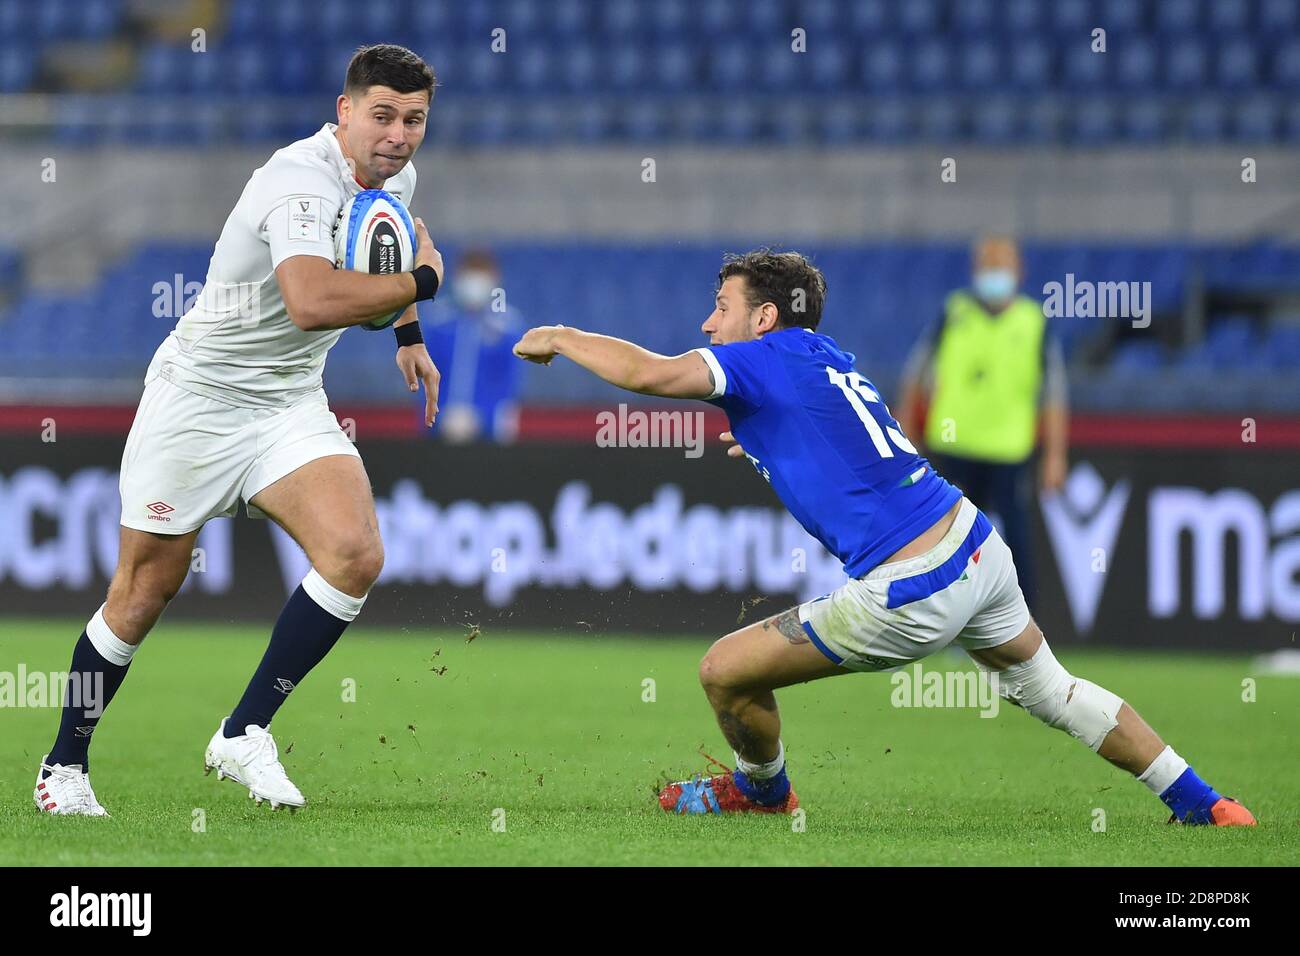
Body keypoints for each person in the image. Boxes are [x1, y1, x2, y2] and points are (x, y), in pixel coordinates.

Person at [511, 249, 1255, 826]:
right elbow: (845, 438)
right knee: (1053, 690)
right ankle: (1205, 802)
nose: (710, 323)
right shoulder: (826, 357)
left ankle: (764, 794)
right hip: (974, 546)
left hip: (914, 583)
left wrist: (562, 336)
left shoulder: (760, 357)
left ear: (764, 318)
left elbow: (650, 374)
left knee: (723, 672)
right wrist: (771, 443)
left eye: (721, 307)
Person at [34, 45, 445, 815]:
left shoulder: (396, 179)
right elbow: (312, 302)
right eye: (382, 116)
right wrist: (425, 282)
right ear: (344, 111)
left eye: (414, 119)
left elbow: (379, 254)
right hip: (198, 399)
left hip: (287, 399)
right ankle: (64, 765)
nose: (398, 135)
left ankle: (244, 730)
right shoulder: (297, 180)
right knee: (142, 591)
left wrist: (407, 333)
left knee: (354, 553)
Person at [897, 235, 1068, 610]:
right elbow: (915, 374)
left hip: (1010, 451)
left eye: (1001, 265)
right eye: (988, 265)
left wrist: (1055, 455)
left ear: (1018, 271)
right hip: (953, 448)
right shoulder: (954, 312)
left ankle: (1027, 629)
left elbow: (1053, 394)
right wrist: (906, 433)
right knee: (945, 544)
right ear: (976, 271)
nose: (995, 274)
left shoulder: (1033, 323)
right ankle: (943, 622)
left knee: (1016, 544)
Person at [421, 249, 524, 443]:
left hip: (491, 435)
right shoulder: (437, 320)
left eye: (481, 274)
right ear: (457, 277)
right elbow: (425, 377)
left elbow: (508, 384)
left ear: (494, 279)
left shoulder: (508, 326)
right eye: (469, 274)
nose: (474, 282)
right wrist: (437, 418)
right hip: (439, 432)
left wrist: (482, 418)